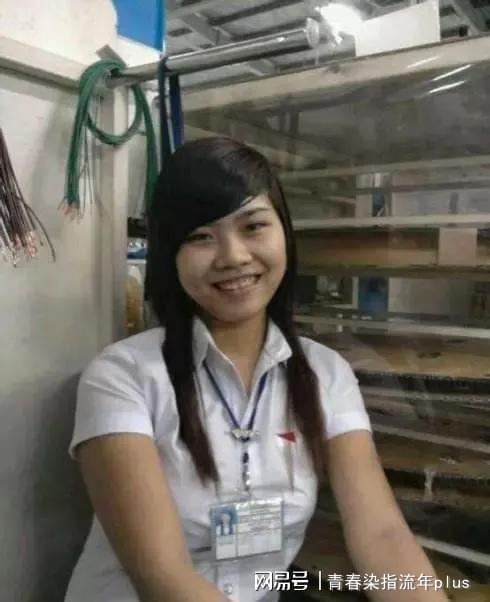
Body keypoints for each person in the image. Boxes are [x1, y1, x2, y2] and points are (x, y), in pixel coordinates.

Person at [65, 137, 448, 602]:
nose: (233, 256)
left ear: (284, 233)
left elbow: (382, 535)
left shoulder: (325, 374)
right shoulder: (121, 378)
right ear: (170, 254)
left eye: (253, 226)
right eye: (200, 236)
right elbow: (163, 579)